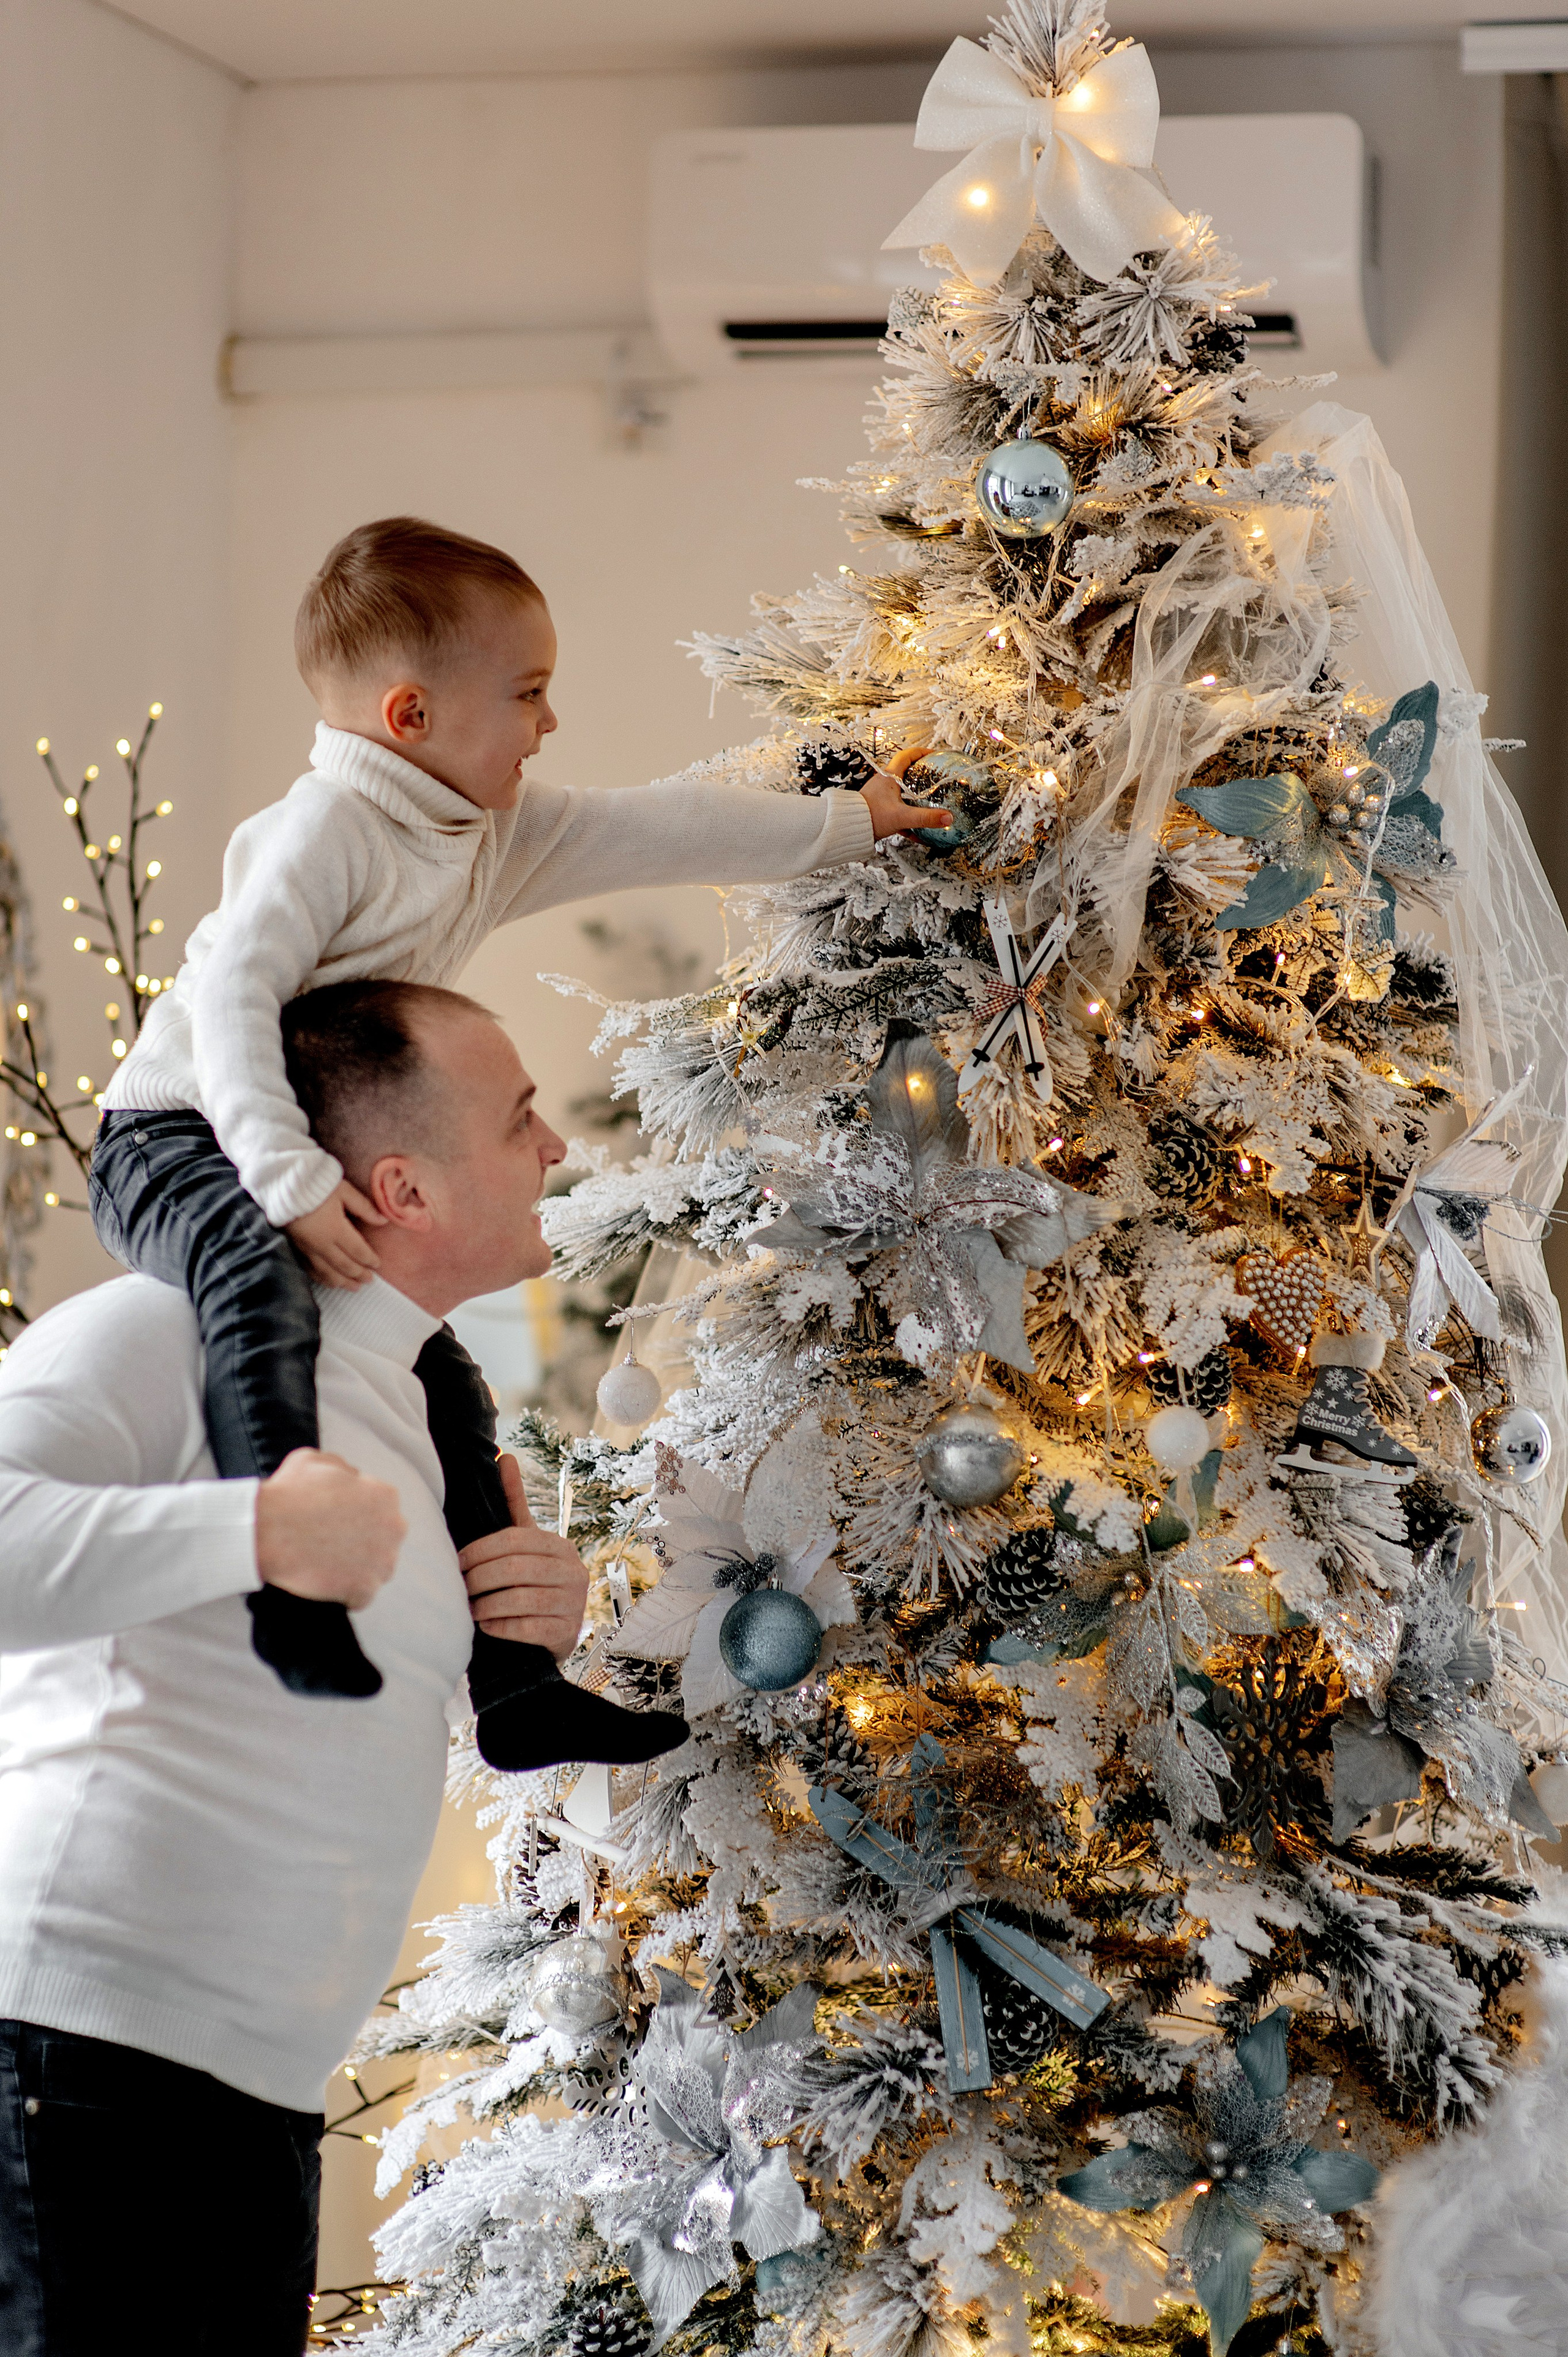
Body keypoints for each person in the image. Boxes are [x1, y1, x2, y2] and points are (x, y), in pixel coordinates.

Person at [89, 515, 946, 1740]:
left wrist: (848, 824)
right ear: (411, 716)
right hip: (175, 1135)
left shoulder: (493, 831)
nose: (549, 724)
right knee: (253, 1279)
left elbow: (662, 826)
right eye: (528, 693)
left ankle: (515, 1691)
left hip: (285, 1152)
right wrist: (283, 1174)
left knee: (445, 1383)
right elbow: (234, 994)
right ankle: (289, 1582)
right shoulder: (325, 831)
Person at [0, 981, 611, 2356]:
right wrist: (257, 1529)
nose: (554, 1146)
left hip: (258, 2105)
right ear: (401, 1188)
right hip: (78, 2063)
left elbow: (322, 1728)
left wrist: (522, 1625)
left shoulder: (415, 1418)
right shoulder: (155, 1329)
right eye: (518, 1119)